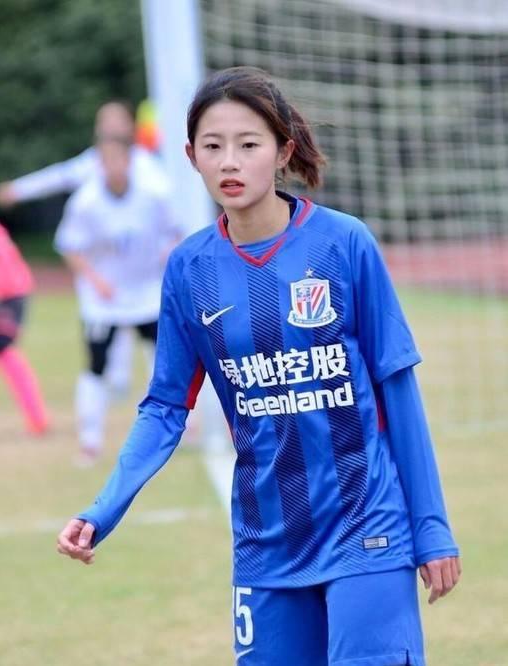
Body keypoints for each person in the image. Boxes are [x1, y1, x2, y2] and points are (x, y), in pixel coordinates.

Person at [57, 67, 460, 665]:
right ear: (191, 157)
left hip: (367, 530)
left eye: (248, 144)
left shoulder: (344, 244)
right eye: (213, 146)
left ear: (282, 151)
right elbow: (165, 407)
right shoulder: (189, 269)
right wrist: (103, 508)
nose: (230, 162)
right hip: (267, 547)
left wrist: (431, 527)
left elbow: (397, 389)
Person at [0, 100, 172, 399]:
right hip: (105, 278)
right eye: (104, 121)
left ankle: (162, 404)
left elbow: (171, 218)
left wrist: (164, 252)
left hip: (147, 278)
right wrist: (17, 190)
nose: (109, 127)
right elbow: (58, 176)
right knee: (104, 345)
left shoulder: (150, 171)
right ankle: (116, 383)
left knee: (160, 350)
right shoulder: (92, 167)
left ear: (130, 125)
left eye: (116, 120)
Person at [54, 136, 180, 466]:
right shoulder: (86, 202)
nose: (113, 168)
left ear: (129, 163)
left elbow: (175, 232)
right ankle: (90, 441)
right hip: (104, 300)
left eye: (119, 161)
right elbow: (69, 246)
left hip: (146, 294)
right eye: (106, 162)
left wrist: (165, 256)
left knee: (165, 363)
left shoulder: (153, 196)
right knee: (96, 367)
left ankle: (174, 431)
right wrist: (96, 280)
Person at [0, 222, 50, 435]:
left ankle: (38, 418)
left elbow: (6, 275)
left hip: (8, 299)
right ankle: (37, 418)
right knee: (8, 355)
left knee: (6, 351)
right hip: (11, 296)